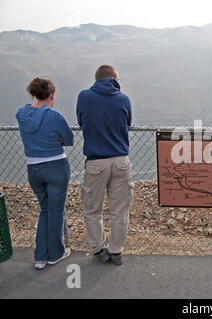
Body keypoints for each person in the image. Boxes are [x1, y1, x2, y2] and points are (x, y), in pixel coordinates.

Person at [76, 65, 133, 265]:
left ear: (96, 78)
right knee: (119, 209)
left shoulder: (84, 97)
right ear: (115, 78)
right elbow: (128, 123)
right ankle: (116, 250)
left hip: (96, 162)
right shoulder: (123, 99)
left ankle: (99, 249)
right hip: (120, 161)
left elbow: (81, 121)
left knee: (92, 209)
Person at [16, 78, 74, 270]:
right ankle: (55, 254)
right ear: (52, 95)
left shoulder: (22, 114)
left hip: (33, 169)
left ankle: (40, 257)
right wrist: (57, 138)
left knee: (45, 209)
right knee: (56, 211)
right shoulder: (55, 116)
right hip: (56, 166)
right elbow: (69, 139)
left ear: (33, 94)